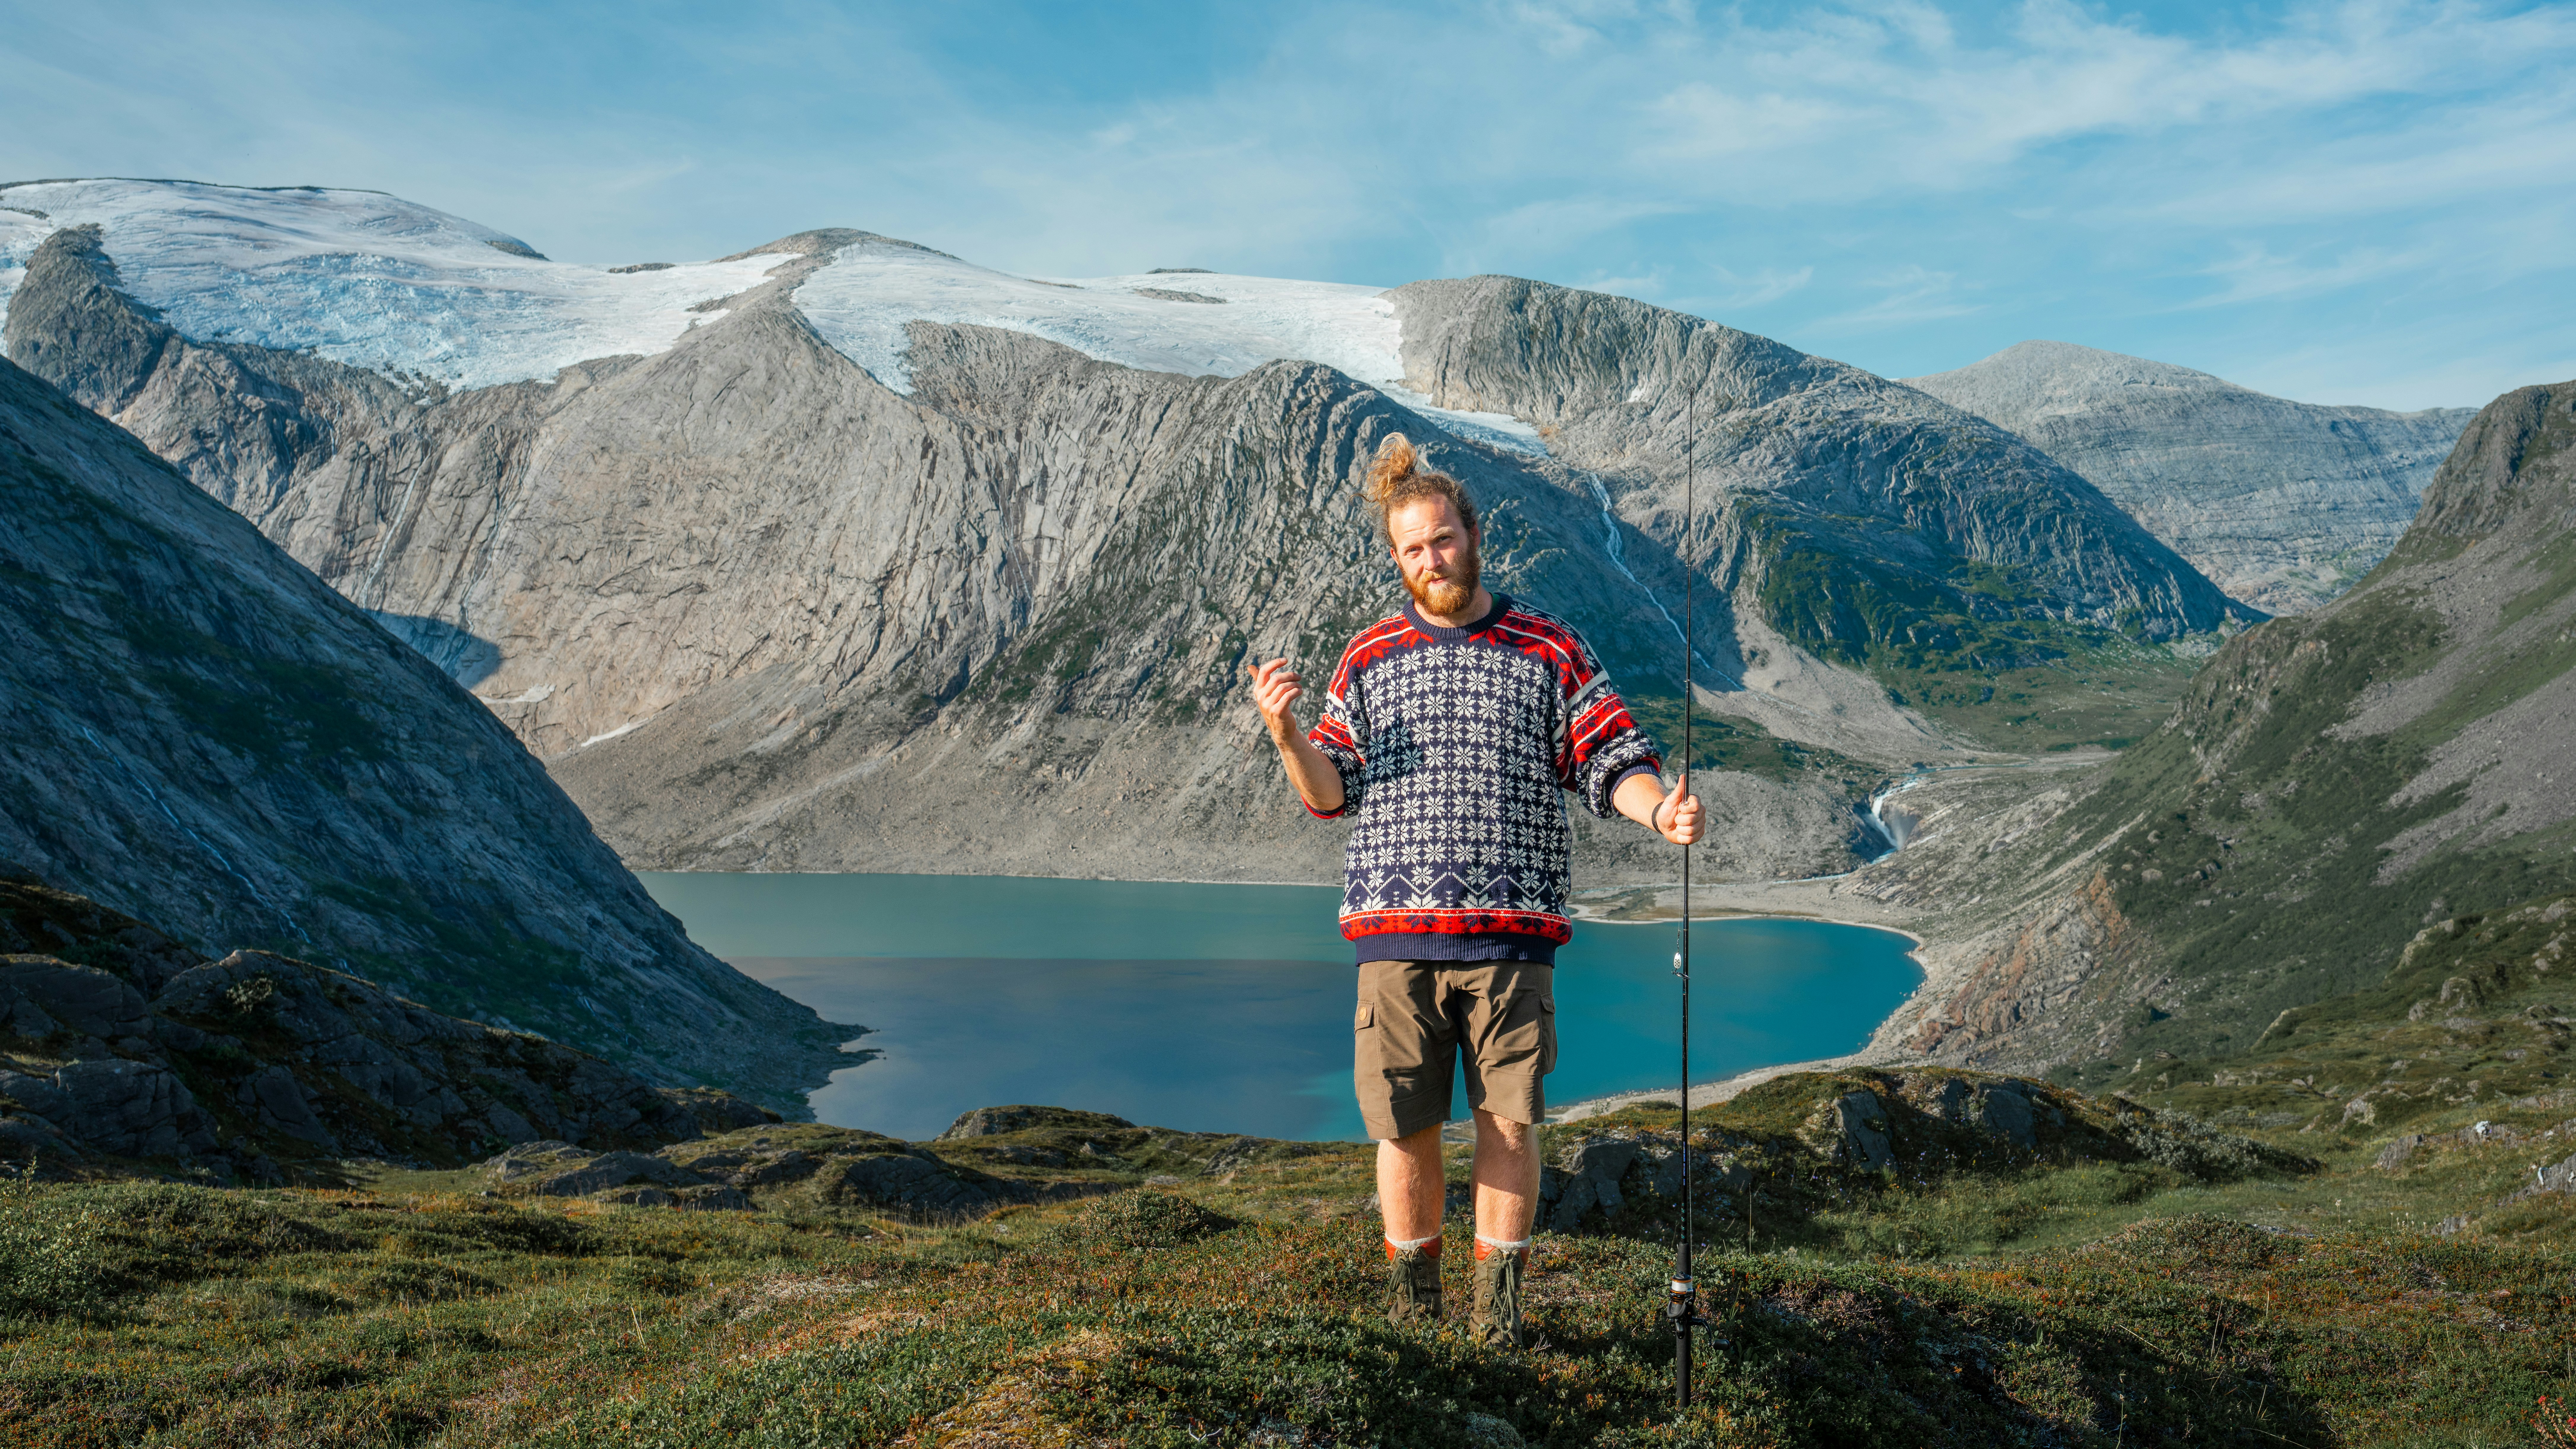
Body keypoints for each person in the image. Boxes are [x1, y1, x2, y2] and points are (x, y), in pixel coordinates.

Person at [1250, 432, 1704, 1349]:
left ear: (1473, 533)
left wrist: (1658, 812)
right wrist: (1284, 732)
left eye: (1444, 539)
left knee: (1508, 1123)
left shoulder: (1550, 646)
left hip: (1510, 939)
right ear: (1397, 559)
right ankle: (1414, 1314)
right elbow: (1328, 789)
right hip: (1393, 936)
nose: (1432, 559)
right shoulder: (1367, 657)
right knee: (1404, 1130)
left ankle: (1497, 1318)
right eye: (1413, 549)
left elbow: (1610, 756)